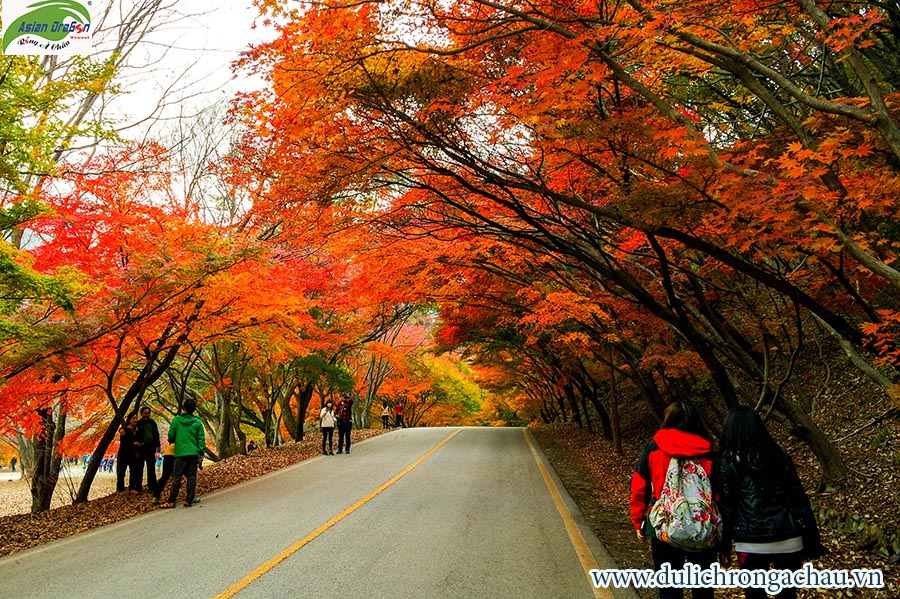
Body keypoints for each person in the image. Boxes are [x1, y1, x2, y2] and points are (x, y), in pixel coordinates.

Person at [718, 406, 826, 599]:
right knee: (787, 593)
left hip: (751, 542)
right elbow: (800, 499)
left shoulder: (729, 464)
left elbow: (728, 507)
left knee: (754, 594)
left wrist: (724, 545)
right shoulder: (781, 458)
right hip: (789, 537)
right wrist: (812, 537)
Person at [630, 401, 718, 599]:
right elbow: (717, 491)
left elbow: (640, 485)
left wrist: (638, 520)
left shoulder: (654, 447)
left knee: (669, 586)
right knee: (703, 588)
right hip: (702, 524)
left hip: (664, 523)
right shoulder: (708, 450)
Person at [160, 399, 205, 509]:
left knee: (177, 477)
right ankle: (189, 500)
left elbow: (171, 434)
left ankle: (171, 501)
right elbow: (201, 438)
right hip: (193, 452)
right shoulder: (197, 422)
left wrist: (172, 440)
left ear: (184, 408)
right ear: (194, 409)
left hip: (180, 453)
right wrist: (201, 452)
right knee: (192, 476)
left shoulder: (177, 420)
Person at [133, 406, 161, 492]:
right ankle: (138, 486)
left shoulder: (153, 423)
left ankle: (152, 485)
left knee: (151, 467)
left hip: (150, 448)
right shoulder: (138, 423)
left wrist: (158, 445)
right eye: (145, 413)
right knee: (139, 467)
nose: (147, 415)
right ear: (141, 414)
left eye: (148, 413)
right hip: (141, 448)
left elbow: (156, 434)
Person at [116, 413, 141, 492]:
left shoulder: (137, 429)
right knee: (121, 472)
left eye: (136, 418)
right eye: (133, 418)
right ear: (129, 419)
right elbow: (124, 442)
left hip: (133, 453)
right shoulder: (125, 430)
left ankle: (132, 487)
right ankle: (120, 489)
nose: (135, 420)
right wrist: (134, 443)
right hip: (124, 453)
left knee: (133, 471)